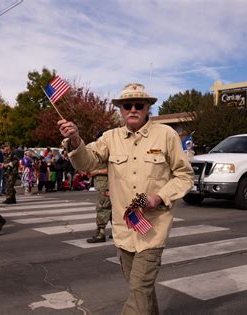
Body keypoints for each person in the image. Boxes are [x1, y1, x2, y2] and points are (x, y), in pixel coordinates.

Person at [58, 83, 193, 314]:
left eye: (138, 105)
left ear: (148, 107)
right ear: (120, 109)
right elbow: (86, 162)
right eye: (126, 105)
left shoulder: (166, 135)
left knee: (139, 289)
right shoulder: (110, 138)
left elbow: (184, 176)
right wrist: (75, 139)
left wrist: (159, 197)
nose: (132, 109)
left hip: (152, 229)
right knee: (141, 289)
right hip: (124, 228)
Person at [86, 130, 112, 243]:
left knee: (103, 208)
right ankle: (117, 232)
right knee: (111, 209)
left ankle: (100, 234)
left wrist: (96, 171)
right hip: (102, 184)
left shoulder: (108, 151)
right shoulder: (99, 151)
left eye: (97, 139)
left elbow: (113, 169)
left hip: (107, 185)